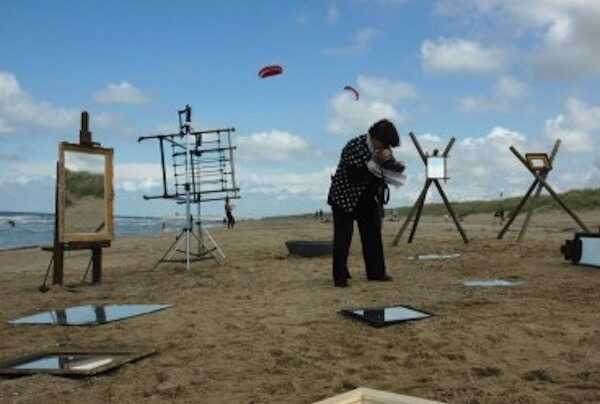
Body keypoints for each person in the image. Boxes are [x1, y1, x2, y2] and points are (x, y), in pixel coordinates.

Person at [327, 119, 406, 288]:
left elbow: (391, 168)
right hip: (344, 197)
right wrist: (375, 161)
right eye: (383, 144)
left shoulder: (384, 149)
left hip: (367, 198)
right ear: (374, 136)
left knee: (372, 235)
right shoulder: (354, 145)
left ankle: (376, 272)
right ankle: (340, 277)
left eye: (387, 146)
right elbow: (355, 176)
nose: (384, 148)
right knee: (343, 237)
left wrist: (397, 166)